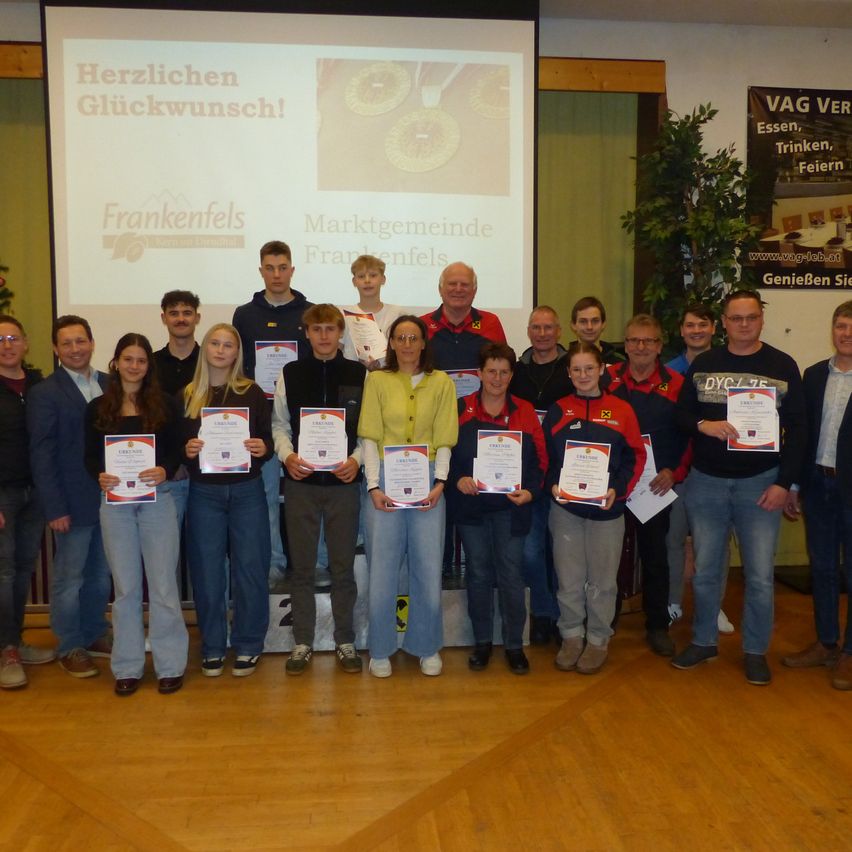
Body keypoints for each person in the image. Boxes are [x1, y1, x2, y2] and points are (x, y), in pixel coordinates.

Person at [672, 290, 806, 686]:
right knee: (708, 570)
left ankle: (754, 650)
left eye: (750, 317)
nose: (744, 324)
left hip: (761, 483)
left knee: (761, 575)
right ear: (723, 323)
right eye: (736, 318)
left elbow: (799, 430)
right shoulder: (706, 363)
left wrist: (785, 483)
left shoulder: (783, 365)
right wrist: (704, 426)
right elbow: (681, 414)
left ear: (760, 320)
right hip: (708, 482)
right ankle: (703, 640)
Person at [85, 333, 187, 696]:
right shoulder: (98, 408)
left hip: (158, 499)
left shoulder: (167, 406)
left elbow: (178, 450)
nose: (134, 366)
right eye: (128, 359)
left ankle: (170, 665)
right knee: (126, 588)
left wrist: (165, 469)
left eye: (141, 360)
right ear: (116, 362)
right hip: (115, 504)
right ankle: (127, 665)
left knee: (162, 586)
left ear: (149, 366)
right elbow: (89, 456)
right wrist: (100, 474)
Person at [357, 315, 458, 677]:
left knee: (427, 567)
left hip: (429, 479)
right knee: (382, 569)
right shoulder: (378, 380)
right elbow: (369, 434)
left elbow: (445, 435)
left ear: (423, 342)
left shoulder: (441, 382)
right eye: (400, 337)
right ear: (392, 343)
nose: (407, 344)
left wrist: (440, 482)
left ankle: (426, 645)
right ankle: (381, 648)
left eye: (413, 337)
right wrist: (373, 485)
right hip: (385, 478)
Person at [272, 305, 366, 676]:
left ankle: (345, 639)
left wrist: (357, 459)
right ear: (307, 334)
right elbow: (280, 425)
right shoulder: (291, 373)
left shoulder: (359, 374)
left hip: (344, 483)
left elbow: (367, 430)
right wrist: (287, 456)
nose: (324, 336)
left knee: (343, 565)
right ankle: (303, 641)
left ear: (340, 333)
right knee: (302, 567)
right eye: (317, 329)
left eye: (330, 329)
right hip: (302, 483)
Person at [543, 341, 645, 675]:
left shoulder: (621, 410)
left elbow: (635, 456)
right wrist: (552, 486)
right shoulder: (558, 410)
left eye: (590, 368)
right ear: (569, 373)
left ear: (602, 370)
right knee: (569, 579)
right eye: (577, 369)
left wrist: (619, 490)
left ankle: (598, 639)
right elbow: (543, 458)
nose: (583, 375)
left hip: (607, 511)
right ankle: (571, 636)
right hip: (566, 511)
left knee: (603, 580)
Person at [182, 323, 272, 678]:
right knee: (207, 573)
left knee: (250, 569)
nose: (221, 350)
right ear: (205, 349)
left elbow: (264, 440)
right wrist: (187, 449)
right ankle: (214, 646)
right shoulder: (189, 394)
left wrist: (261, 448)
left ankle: (249, 644)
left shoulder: (252, 392)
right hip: (204, 493)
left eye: (228, 345)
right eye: (215, 344)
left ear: (238, 353)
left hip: (247, 490)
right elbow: (179, 445)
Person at [449, 342, 545, 674]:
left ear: (512, 375)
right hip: (472, 506)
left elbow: (540, 462)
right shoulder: (460, 408)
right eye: (491, 371)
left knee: (511, 575)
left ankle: (515, 645)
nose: (497, 378)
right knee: (478, 573)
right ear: (479, 373)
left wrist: (531, 492)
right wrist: (458, 478)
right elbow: (445, 454)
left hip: (511, 507)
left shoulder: (526, 411)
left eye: (504, 372)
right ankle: (482, 643)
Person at [28, 315, 111, 679]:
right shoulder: (45, 393)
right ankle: (70, 645)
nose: (75, 349)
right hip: (71, 503)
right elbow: (42, 454)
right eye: (67, 343)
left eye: (81, 341)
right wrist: (55, 507)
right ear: (55, 349)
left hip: (112, 499)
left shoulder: (111, 384)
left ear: (92, 343)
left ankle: (94, 633)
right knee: (69, 579)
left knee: (100, 576)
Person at [607, 314, 689, 657]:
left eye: (648, 341)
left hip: (654, 486)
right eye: (633, 341)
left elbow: (690, 436)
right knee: (608, 556)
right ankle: (604, 620)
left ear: (659, 346)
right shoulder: (606, 380)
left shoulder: (678, 384)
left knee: (656, 556)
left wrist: (675, 473)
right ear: (625, 345)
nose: (640, 347)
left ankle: (657, 624)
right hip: (613, 484)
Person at [233, 241, 314, 586]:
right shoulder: (244, 315)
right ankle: (273, 564)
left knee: (312, 498)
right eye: (270, 267)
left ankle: (317, 563)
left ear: (292, 270)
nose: (277, 274)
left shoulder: (309, 312)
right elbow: (238, 368)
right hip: (262, 422)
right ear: (261, 270)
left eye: (283, 267)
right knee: (266, 497)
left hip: (305, 423)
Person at [782, 300, 852, 690]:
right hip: (818, 484)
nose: (846, 334)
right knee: (823, 568)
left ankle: (851, 654)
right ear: (832, 330)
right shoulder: (813, 376)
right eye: (841, 326)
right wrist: (794, 484)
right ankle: (827, 642)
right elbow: (802, 436)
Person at [664, 304, 735, 634]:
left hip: (714, 471)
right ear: (681, 330)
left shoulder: (725, 368)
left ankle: (713, 608)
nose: (696, 331)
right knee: (673, 539)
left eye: (702, 325)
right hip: (677, 474)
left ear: (713, 328)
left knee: (715, 545)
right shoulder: (668, 372)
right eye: (689, 325)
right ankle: (673, 602)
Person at [508, 305, 572, 643]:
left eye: (549, 327)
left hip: (567, 472)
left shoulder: (571, 370)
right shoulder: (516, 372)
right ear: (529, 331)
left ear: (559, 331)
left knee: (560, 551)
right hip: (528, 474)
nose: (543, 333)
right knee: (532, 552)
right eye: (536, 327)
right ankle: (545, 614)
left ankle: (566, 618)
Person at [0, 316, 53, 690]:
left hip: (35, 493)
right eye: (0, 339)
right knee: (3, 573)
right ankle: (6, 650)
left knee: (21, 570)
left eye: (13, 338)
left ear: (26, 343)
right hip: (2, 494)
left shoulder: (38, 385)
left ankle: (15, 640)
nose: (6, 345)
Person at [421, 261, 506, 372]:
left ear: (474, 290)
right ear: (440, 289)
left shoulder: (491, 322)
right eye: (452, 284)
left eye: (465, 284)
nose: (458, 289)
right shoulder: (422, 325)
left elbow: (504, 367)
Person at [340, 255, 406, 370]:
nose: (367, 280)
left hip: (389, 379)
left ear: (383, 279)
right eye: (361, 276)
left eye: (373, 275)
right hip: (352, 382)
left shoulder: (398, 314)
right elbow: (337, 351)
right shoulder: (343, 315)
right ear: (354, 281)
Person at [153, 290, 201, 397]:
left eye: (187, 313)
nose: (181, 319)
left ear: (197, 318)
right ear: (164, 318)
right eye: (174, 314)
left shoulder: (209, 361)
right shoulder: (150, 363)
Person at [569, 296, 624, 364]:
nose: (589, 327)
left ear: (603, 324)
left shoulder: (619, 363)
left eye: (595, 321)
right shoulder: (563, 363)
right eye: (583, 321)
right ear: (573, 325)